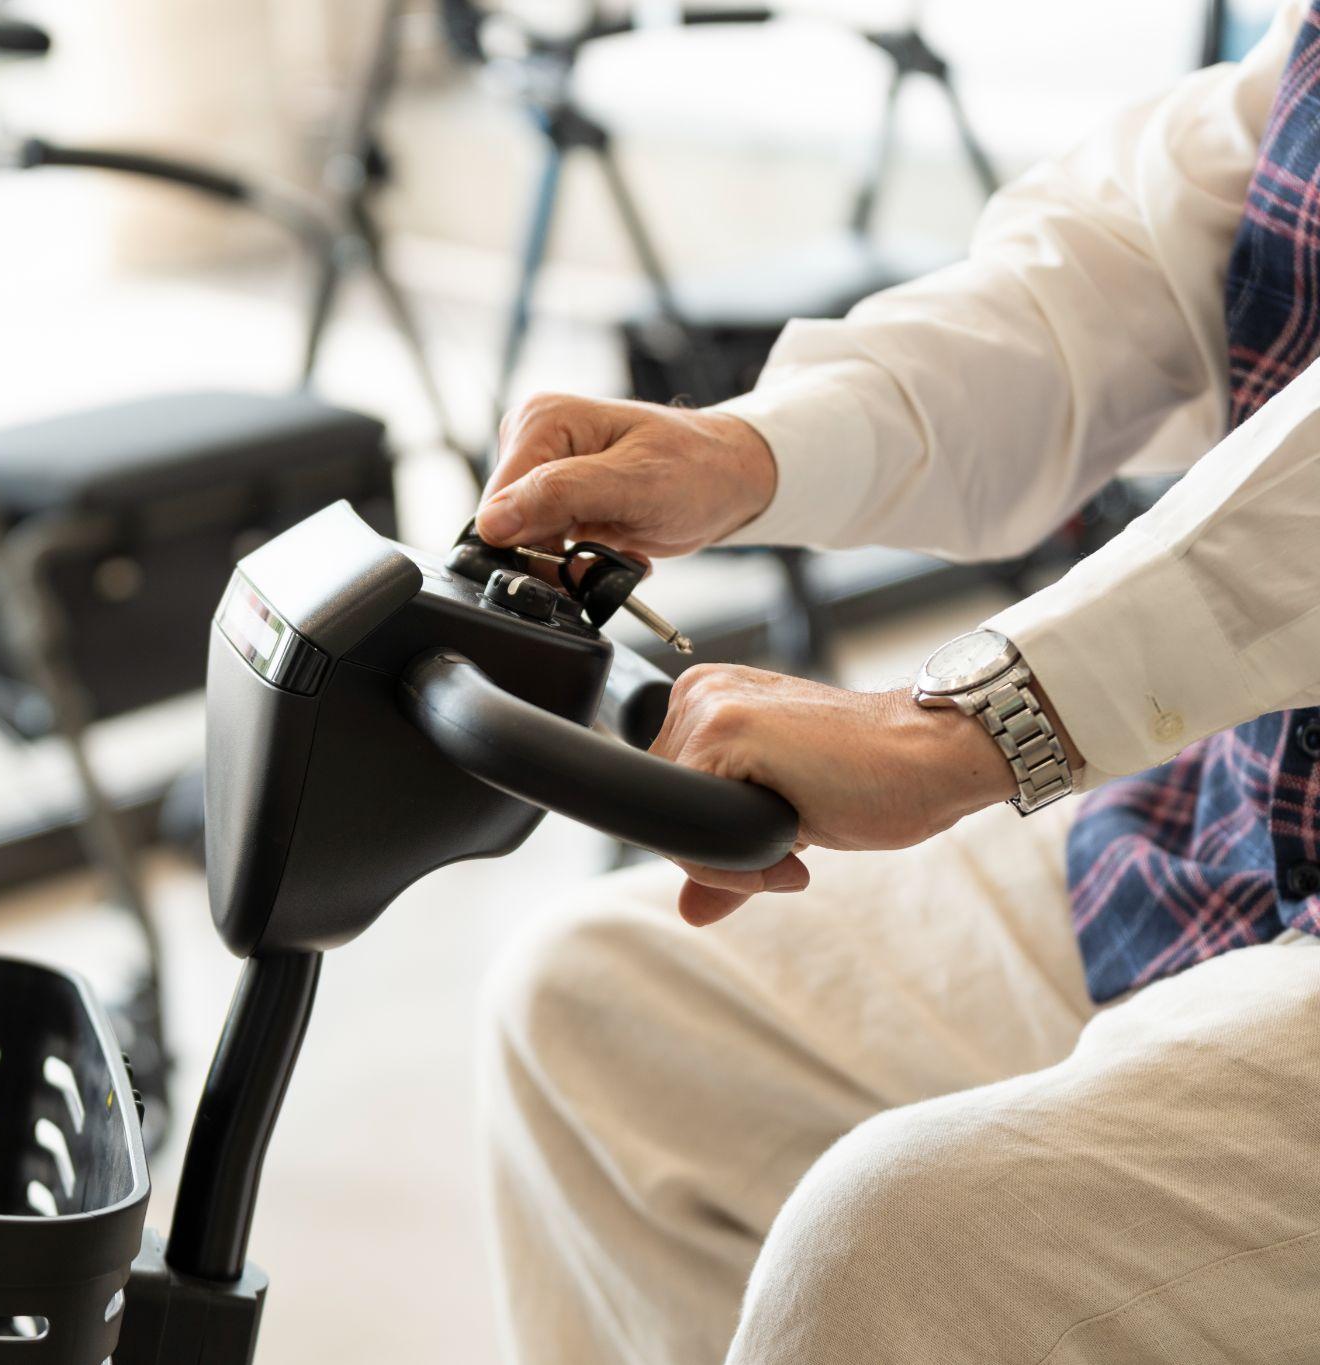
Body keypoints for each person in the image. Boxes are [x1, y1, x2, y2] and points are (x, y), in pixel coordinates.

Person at [477, 4, 1320, 1361]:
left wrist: (967, 726)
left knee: (899, 1251)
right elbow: (1138, 258)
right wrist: (747, 451)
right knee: (596, 1014)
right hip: (1232, 835)